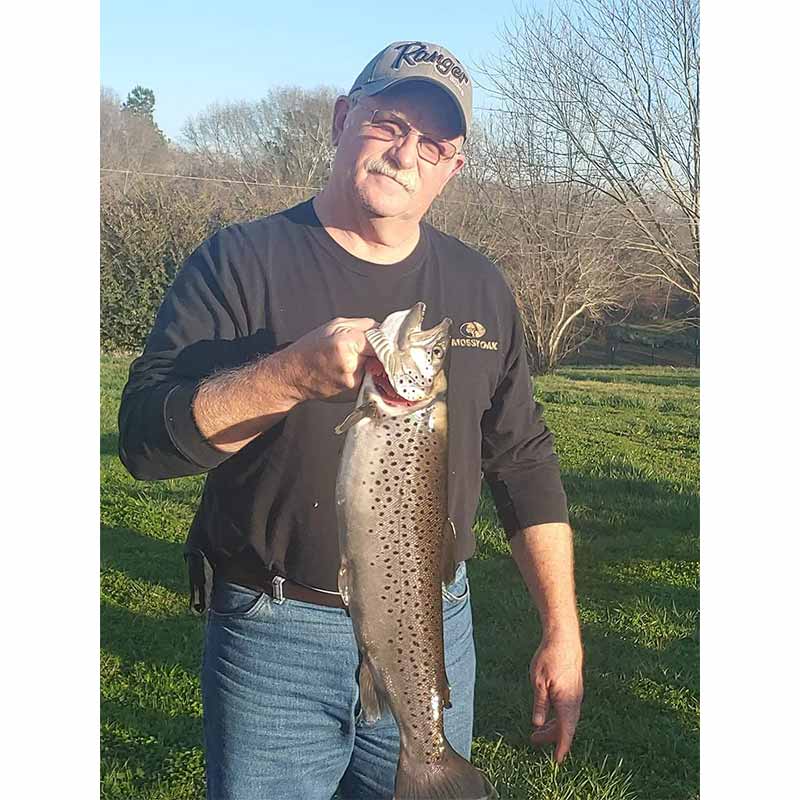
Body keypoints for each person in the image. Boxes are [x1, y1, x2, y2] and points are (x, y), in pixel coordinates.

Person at [118, 39, 584, 800]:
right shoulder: (239, 260)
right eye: (388, 122)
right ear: (342, 120)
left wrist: (561, 630)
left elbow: (525, 460)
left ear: (452, 169)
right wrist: (287, 375)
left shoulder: (479, 285)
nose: (405, 153)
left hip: (435, 621)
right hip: (273, 634)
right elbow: (143, 441)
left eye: (433, 143)